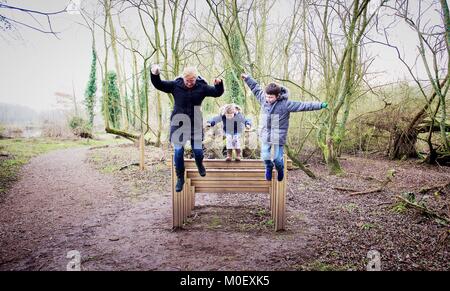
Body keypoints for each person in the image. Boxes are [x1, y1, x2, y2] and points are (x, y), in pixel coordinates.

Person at [241, 73, 328, 181]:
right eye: (267, 96)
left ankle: (280, 168)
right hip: (265, 133)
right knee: (265, 157)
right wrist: (248, 78)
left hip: (278, 135)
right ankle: (268, 167)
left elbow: (303, 105)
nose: (268, 99)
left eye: (271, 97)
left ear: (277, 96)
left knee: (277, 159)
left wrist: (320, 105)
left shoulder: (285, 104)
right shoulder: (263, 99)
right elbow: (255, 88)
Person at [151, 65, 224, 192]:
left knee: (198, 151)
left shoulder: (202, 87)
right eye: (187, 81)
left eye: (192, 81)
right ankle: (180, 177)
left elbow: (217, 93)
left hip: (195, 123)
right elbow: (159, 85)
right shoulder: (175, 85)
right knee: (178, 151)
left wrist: (219, 84)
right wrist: (155, 74)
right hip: (178, 123)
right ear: (183, 78)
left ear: (196, 78)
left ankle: (199, 164)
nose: (190, 83)